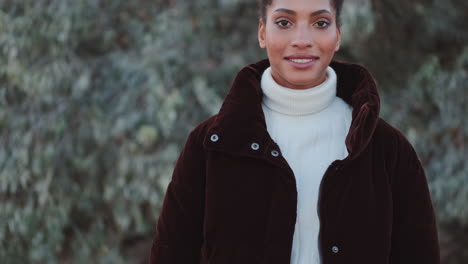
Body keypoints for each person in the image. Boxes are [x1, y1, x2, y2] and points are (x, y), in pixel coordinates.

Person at [149, 0, 440, 263]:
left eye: (320, 23)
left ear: (337, 34)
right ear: (262, 32)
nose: (302, 40)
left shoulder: (388, 149)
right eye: (284, 22)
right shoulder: (211, 144)